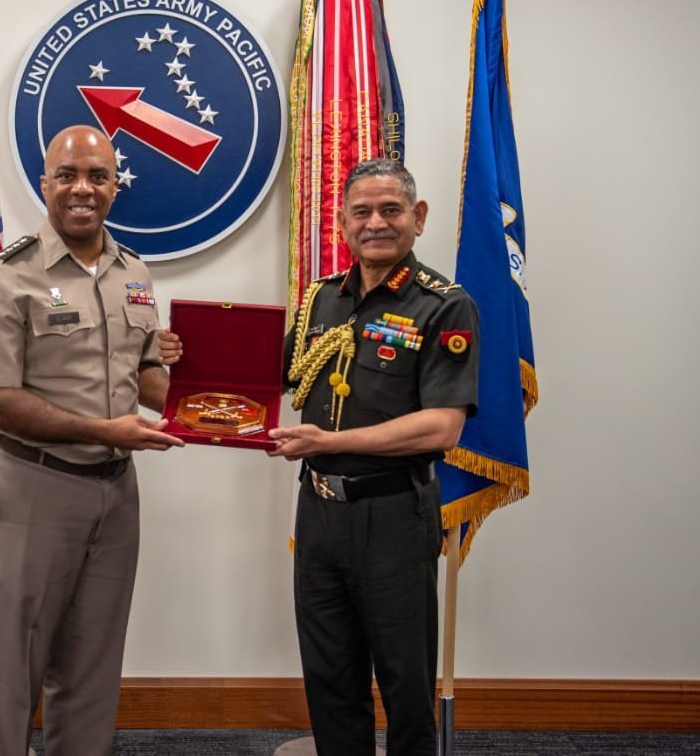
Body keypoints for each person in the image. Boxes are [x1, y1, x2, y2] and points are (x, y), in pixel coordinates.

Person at [160, 158, 479, 756]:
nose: (376, 223)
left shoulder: (444, 305)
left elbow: (441, 427)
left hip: (393, 515)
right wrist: (183, 355)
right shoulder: (320, 301)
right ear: (342, 223)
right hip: (320, 512)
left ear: (418, 217)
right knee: (330, 677)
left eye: (391, 210)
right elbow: (258, 378)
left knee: (406, 682)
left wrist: (330, 444)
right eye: (362, 212)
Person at [0, 124, 184, 756]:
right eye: (68, 176)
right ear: (46, 183)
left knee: (93, 661)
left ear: (116, 185)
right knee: (13, 662)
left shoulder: (132, 271)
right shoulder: (7, 277)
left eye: (98, 176)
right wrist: (102, 430)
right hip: (37, 485)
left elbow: (146, 378)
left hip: (117, 492)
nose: (83, 189)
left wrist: (207, 393)